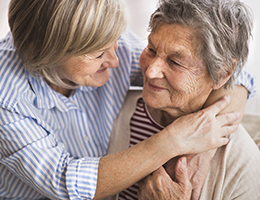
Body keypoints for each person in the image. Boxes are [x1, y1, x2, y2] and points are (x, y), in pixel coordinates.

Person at [0, 0, 255, 199]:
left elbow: (227, 67)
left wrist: (205, 146)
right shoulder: (7, 95)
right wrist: (176, 140)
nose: (116, 61)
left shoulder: (104, 40)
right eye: (99, 53)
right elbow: (64, 181)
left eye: (114, 41)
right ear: (46, 55)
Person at [106, 0, 260, 199]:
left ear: (221, 75)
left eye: (175, 62)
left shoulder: (242, 163)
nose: (151, 71)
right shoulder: (114, 111)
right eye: (151, 50)